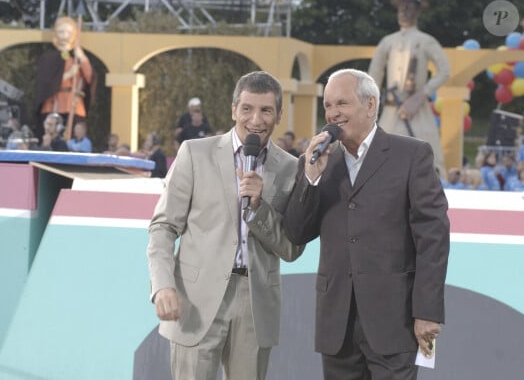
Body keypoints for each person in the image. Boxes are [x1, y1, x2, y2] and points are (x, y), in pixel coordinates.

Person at [283, 69, 449, 380]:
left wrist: (427, 311)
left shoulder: (412, 154)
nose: (333, 114)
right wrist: (309, 178)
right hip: (337, 324)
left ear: (370, 105)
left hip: (395, 321)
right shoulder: (319, 160)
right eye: (328, 106)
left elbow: (433, 238)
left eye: (342, 104)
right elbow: (296, 232)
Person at [147, 71, 304, 380]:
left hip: (255, 302)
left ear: (279, 115)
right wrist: (162, 285)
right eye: (247, 108)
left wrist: (259, 207)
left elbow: (291, 248)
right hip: (195, 298)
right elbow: (163, 228)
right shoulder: (194, 153)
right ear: (234, 110)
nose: (255, 119)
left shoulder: (291, 168)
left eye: (266, 110)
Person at [368, 0, 450, 177]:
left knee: (428, 159)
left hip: (417, 112)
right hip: (390, 111)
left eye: (409, 8)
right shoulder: (387, 42)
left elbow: (444, 70)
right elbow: (373, 77)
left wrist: (421, 95)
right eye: (401, 7)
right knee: (379, 159)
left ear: (418, 11)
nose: (404, 12)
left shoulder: (426, 40)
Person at [36, 16, 94, 140]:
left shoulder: (77, 57)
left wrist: (83, 58)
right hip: (53, 103)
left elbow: (90, 78)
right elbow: (46, 81)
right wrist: (68, 75)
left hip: (73, 103)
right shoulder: (48, 58)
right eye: (61, 32)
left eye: (69, 32)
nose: (65, 36)